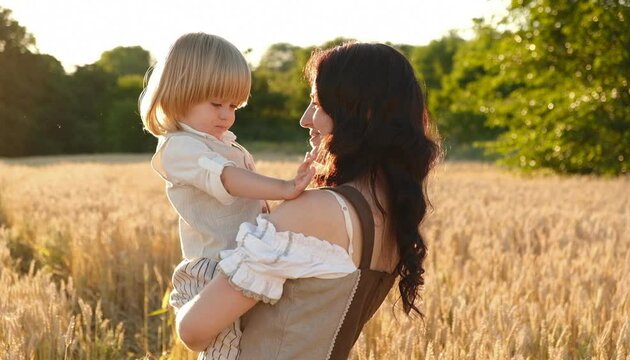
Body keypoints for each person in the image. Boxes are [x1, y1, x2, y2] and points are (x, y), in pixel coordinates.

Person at [176, 42, 441, 359]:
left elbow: (193, 331)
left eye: (317, 104)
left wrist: (187, 290)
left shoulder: (314, 211)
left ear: (360, 112)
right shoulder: (390, 211)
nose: (305, 119)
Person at [139, 32, 332, 360]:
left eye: (234, 106)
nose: (227, 115)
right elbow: (227, 179)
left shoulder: (220, 141)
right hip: (213, 269)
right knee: (224, 352)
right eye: (216, 104)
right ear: (178, 94)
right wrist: (284, 188)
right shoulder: (178, 147)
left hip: (239, 262)